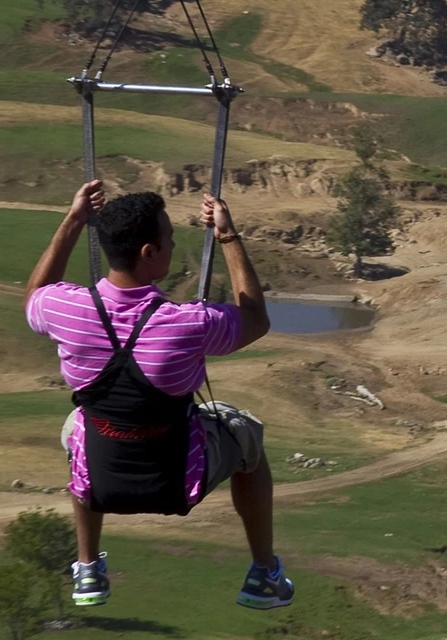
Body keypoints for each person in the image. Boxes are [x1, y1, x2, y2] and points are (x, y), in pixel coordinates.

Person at [25, 181, 291, 610]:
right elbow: (256, 320)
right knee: (246, 434)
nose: (172, 244)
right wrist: (227, 236)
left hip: (105, 478)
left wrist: (74, 220)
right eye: (168, 239)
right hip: (178, 479)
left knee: (82, 430)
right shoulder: (187, 323)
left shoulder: (65, 309)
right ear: (149, 253)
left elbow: (33, 297)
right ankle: (264, 572)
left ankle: (88, 567)